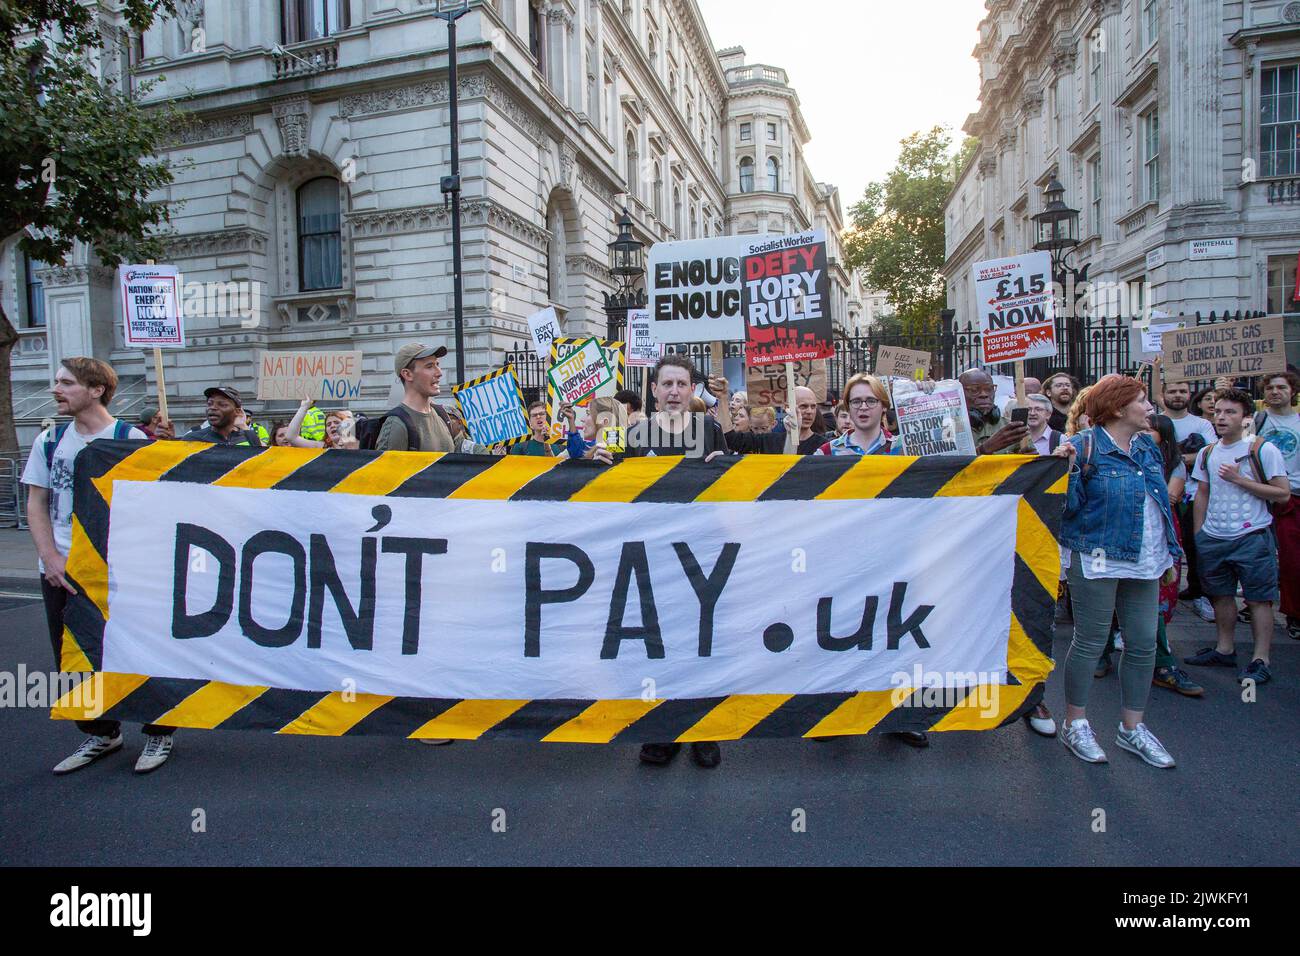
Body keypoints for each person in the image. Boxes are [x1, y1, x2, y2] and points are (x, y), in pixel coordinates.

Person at [22, 358, 177, 775]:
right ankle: (101, 732)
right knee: (73, 654)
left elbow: (160, 502)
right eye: (56, 381)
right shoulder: (49, 441)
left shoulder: (131, 439)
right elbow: (36, 502)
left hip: (123, 570)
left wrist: (167, 452)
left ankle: (159, 730)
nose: (56, 389)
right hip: (62, 569)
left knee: (143, 649)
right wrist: (50, 558)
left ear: (95, 390)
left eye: (66, 383)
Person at [1053, 374, 1181, 768]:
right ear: (1118, 408)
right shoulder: (1082, 447)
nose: (1150, 408)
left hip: (1145, 557)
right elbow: (1066, 510)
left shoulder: (1146, 446)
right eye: (1143, 401)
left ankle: (1132, 728)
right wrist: (1067, 471)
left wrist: (1172, 556)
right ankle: (1075, 722)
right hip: (1097, 556)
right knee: (1090, 641)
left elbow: (1159, 504)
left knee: (1142, 643)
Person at [625, 354, 728, 768]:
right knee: (657, 648)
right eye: (666, 384)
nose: (673, 392)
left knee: (703, 645)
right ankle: (664, 729)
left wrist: (727, 468)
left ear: (691, 390)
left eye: (681, 384)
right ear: (653, 390)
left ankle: (704, 731)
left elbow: (731, 493)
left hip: (701, 556)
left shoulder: (710, 430)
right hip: (652, 560)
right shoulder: (637, 436)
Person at [1183, 387, 1290, 685]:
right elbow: (1202, 492)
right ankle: (1224, 648)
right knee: (1221, 596)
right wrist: (1199, 533)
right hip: (1214, 537)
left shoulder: (1262, 449)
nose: (1221, 417)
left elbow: (1282, 494)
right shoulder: (1208, 452)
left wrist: (1239, 479)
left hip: (1252, 536)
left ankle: (1261, 658)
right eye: (1217, 411)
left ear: (1246, 418)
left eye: (1230, 412)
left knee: (1259, 599)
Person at [1254, 371, 1300, 640]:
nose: (1275, 392)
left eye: (1281, 387)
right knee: (1261, 556)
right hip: (1263, 496)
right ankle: (1258, 604)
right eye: (1270, 387)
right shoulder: (1258, 421)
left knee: (1293, 560)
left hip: (1294, 495)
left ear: (1292, 391)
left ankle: (1293, 612)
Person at [374, 343, 469, 455]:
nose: (439, 373)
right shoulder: (397, 424)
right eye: (429, 366)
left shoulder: (442, 415)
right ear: (407, 374)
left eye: (437, 364)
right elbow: (385, 471)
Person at [814, 373, 902, 457]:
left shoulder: (902, 448)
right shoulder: (826, 452)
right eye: (856, 401)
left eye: (871, 401)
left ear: (884, 406)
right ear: (848, 407)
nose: (863, 407)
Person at [727, 386, 826, 455]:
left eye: (813, 407)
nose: (809, 411)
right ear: (787, 407)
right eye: (803, 406)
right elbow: (731, 439)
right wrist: (722, 397)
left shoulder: (824, 446)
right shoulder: (769, 441)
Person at [959, 368, 1029, 454]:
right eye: (974, 390)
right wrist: (983, 449)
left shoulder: (1012, 428)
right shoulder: (950, 430)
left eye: (989, 389)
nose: (984, 394)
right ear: (960, 393)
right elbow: (946, 466)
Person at [181, 386, 264, 446]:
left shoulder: (248, 438)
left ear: (238, 412)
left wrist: (244, 426)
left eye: (222, 404)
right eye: (210, 404)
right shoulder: (192, 439)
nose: (213, 408)